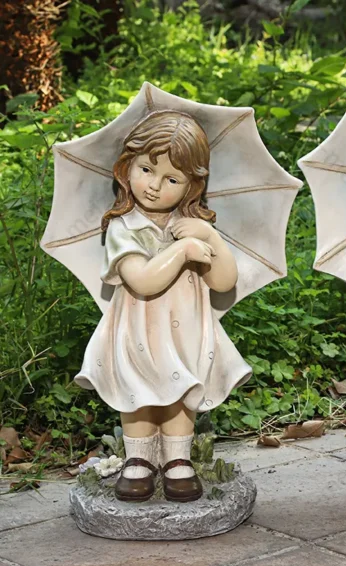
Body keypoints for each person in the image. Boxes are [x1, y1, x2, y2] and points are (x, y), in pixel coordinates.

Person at [75, 110, 252, 502]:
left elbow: (224, 281)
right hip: (137, 328)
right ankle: (139, 460)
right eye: (146, 170)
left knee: (180, 389)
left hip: (185, 327)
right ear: (127, 167)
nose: (154, 186)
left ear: (191, 185)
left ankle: (176, 459)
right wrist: (184, 250)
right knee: (136, 392)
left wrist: (208, 236)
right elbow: (142, 280)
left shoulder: (192, 224)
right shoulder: (125, 227)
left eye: (171, 179)